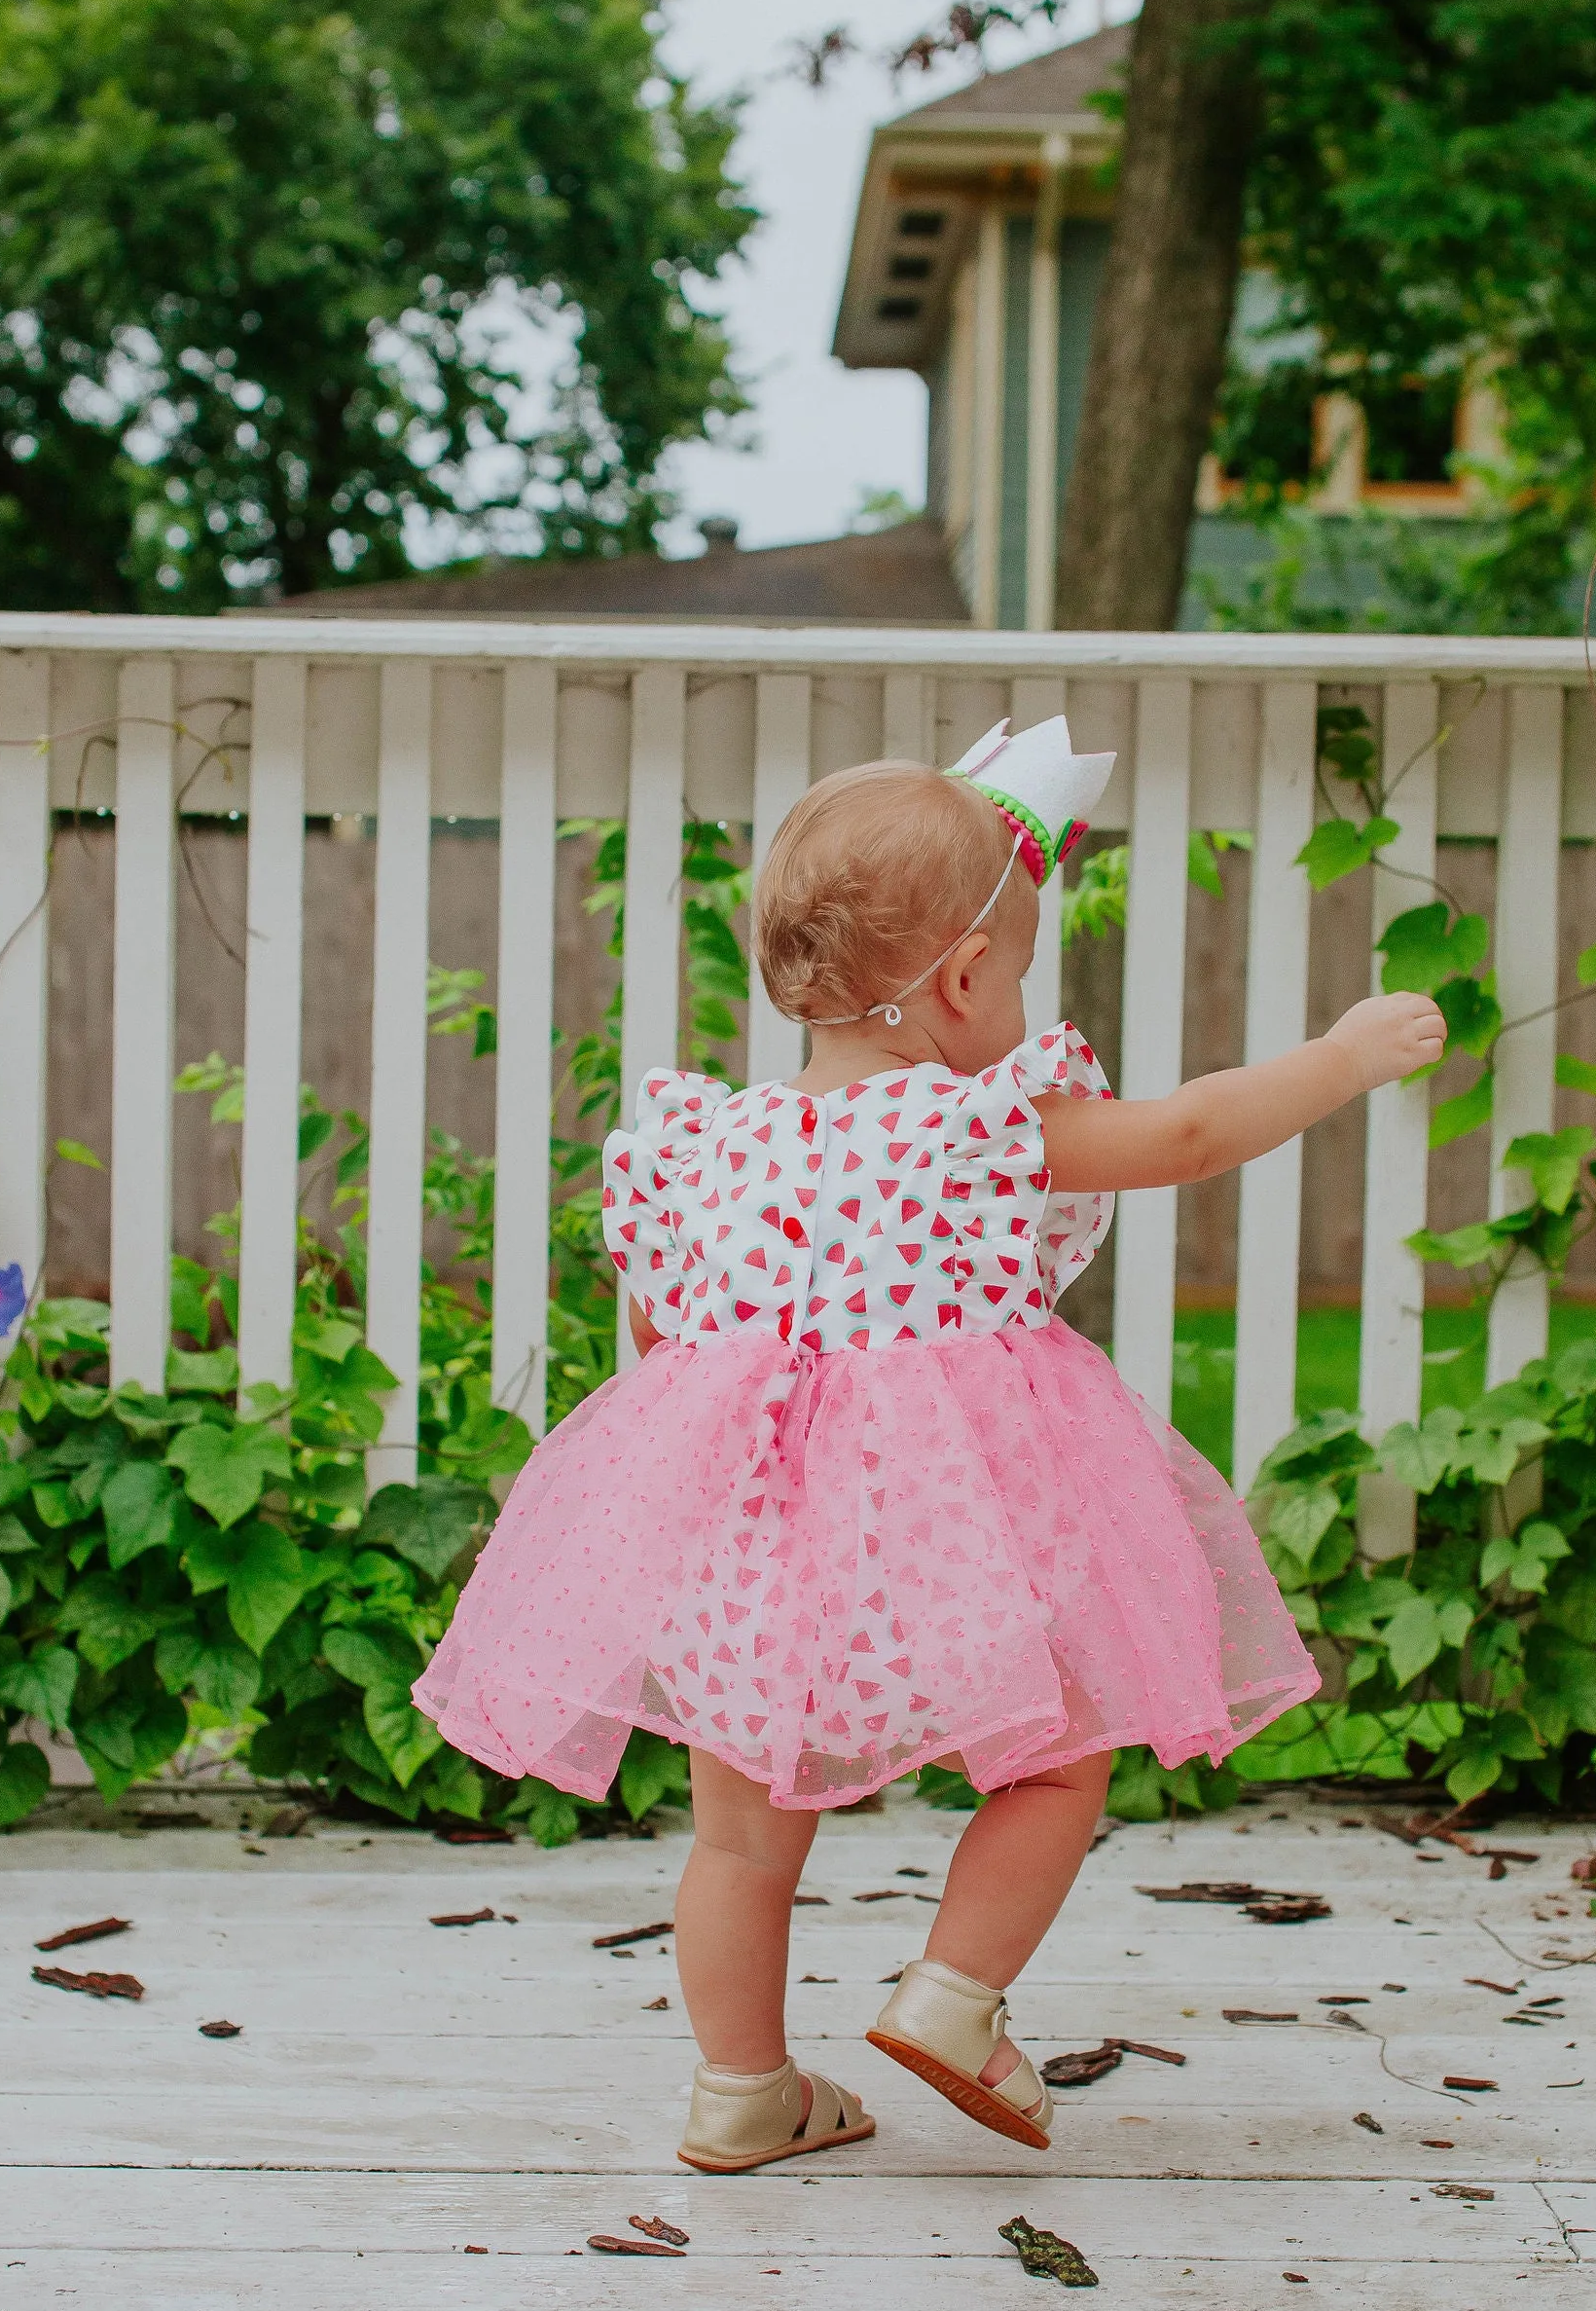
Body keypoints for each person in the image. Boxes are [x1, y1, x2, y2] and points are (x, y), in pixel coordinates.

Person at [416, 719, 1446, 2174]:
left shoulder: (695, 1145)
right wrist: (1342, 1055)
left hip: (755, 1560)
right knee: (1053, 1762)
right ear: (966, 979)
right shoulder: (972, 1129)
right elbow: (1193, 1135)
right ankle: (955, 1998)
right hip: (949, 1552)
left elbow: (660, 1343)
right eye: (1015, 972)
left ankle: (740, 2091)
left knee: (739, 1842)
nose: (1017, 1002)